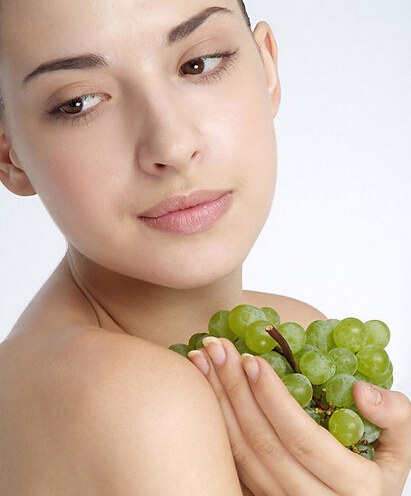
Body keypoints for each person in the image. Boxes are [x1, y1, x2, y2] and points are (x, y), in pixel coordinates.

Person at [0, 0, 410, 494]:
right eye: (79, 102)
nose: (172, 146)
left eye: (198, 64)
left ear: (267, 67)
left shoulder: (288, 333)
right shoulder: (139, 402)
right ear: (9, 154)